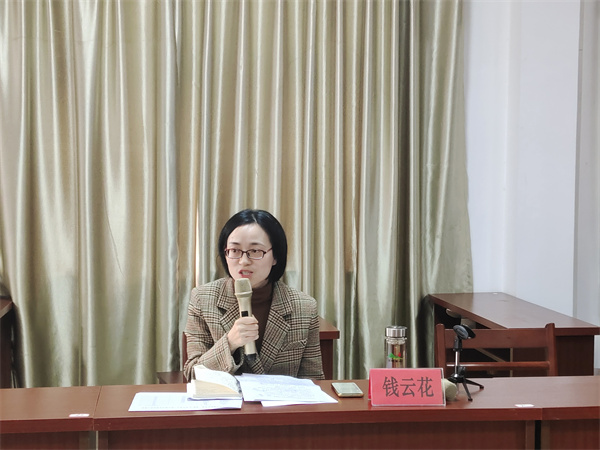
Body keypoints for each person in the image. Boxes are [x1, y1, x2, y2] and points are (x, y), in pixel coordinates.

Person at [183, 209, 324, 381]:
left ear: (275, 256)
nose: (243, 261)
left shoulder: (304, 306)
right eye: (234, 250)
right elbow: (192, 375)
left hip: (280, 399)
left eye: (255, 251)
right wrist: (230, 343)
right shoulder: (203, 299)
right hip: (226, 398)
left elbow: (313, 380)